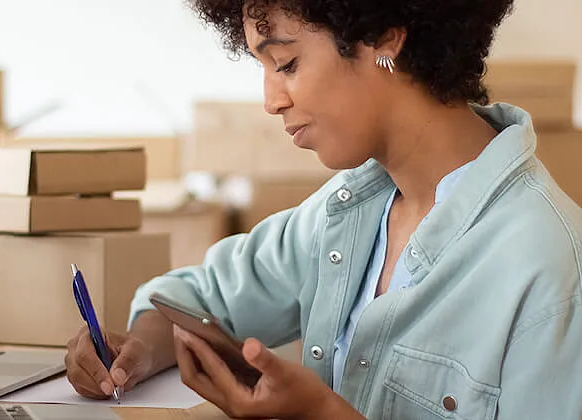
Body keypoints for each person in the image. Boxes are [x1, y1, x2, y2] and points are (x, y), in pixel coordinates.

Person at [65, 0, 582, 418]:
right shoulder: (347, 214)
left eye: (286, 63)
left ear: (383, 37)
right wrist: (135, 352)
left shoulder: (551, 271)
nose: (271, 100)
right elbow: (187, 297)